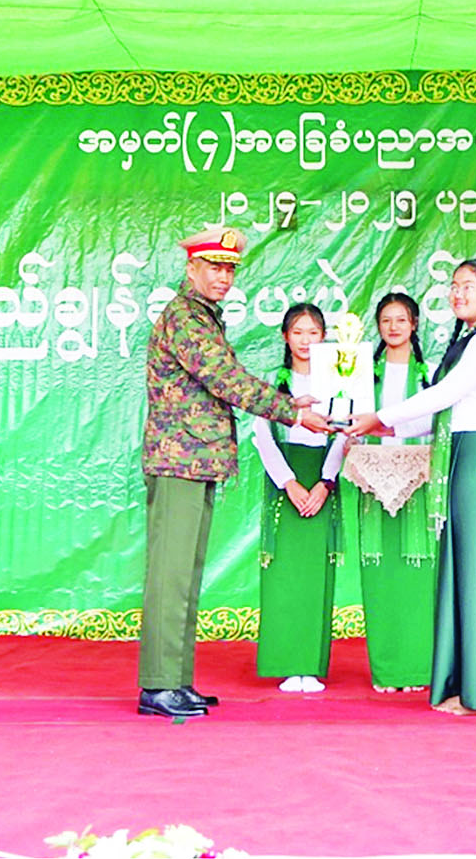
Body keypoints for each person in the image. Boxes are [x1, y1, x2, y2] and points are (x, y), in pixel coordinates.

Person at [139, 226, 330, 719]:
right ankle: (159, 684)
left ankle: (175, 681)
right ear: (191, 268)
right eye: (214, 267)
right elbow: (226, 380)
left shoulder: (202, 316)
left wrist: (289, 408)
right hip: (179, 460)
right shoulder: (185, 318)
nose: (224, 277)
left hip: (194, 459)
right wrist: (290, 410)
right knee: (171, 577)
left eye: (229, 269)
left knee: (185, 576)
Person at [346, 260, 476, 714]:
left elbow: (445, 395)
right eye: (454, 286)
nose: (458, 294)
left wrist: (381, 417)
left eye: (469, 287)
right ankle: (466, 686)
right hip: (459, 452)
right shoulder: (468, 341)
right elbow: (443, 412)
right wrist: (385, 428)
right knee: (462, 568)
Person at [252, 304, 345, 693]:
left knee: (315, 575)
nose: (306, 340)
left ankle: (311, 664)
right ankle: (287, 663)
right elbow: (262, 437)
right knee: (284, 575)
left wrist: (325, 482)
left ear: (323, 337)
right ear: (285, 337)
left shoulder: (340, 382)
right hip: (286, 484)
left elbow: (345, 433)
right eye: (298, 332)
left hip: (322, 481)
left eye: (313, 332)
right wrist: (289, 484)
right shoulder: (274, 384)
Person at [353, 292, 436, 693]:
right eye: (386, 320)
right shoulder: (362, 373)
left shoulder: (430, 373)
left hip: (418, 482)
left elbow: (438, 421)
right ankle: (386, 671)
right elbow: (350, 417)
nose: (393, 327)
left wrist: (393, 430)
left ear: (414, 324)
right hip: (373, 481)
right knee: (380, 574)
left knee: (417, 573)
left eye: (401, 319)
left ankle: (418, 669)